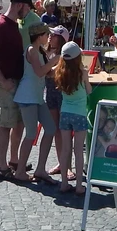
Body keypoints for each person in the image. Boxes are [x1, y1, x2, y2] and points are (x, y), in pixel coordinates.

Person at [0, 0, 32, 179]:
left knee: (18, 122)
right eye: (27, 8)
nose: (27, 12)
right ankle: (2, 166)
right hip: (5, 82)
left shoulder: (15, 24)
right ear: (20, 5)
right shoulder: (2, 24)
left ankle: (14, 160)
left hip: (17, 81)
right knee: (6, 123)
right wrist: (3, 80)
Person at [13, 23, 60, 186]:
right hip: (27, 96)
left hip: (37, 97)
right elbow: (39, 71)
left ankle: (40, 169)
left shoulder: (40, 50)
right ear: (39, 35)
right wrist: (54, 61)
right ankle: (20, 171)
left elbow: (46, 73)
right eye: (46, 34)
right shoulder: (32, 50)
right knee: (31, 134)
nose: (48, 37)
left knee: (51, 128)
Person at [53, 41, 91, 195]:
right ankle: (79, 186)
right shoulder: (82, 73)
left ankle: (63, 183)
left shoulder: (59, 72)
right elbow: (88, 90)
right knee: (78, 151)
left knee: (65, 149)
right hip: (80, 114)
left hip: (65, 114)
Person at [44, 25, 70, 179]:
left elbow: (49, 71)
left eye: (53, 35)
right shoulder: (47, 52)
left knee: (65, 130)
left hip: (61, 93)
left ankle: (68, 165)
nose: (50, 37)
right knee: (56, 130)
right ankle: (61, 162)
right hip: (50, 94)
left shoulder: (64, 55)